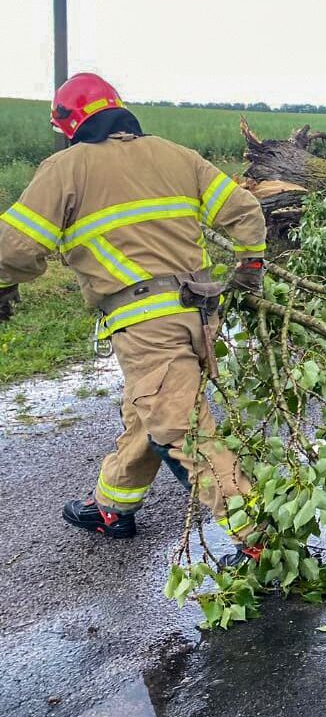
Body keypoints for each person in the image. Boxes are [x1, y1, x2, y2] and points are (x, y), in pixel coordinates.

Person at [0, 73, 267, 568]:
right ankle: (111, 508)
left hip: (145, 323)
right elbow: (245, 210)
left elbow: (13, 246)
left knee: (181, 430)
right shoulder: (176, 155)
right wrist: (249, 268)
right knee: (148, 411)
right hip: (197, 317)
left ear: (69, 123)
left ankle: (259, 543)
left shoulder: (67, 167)